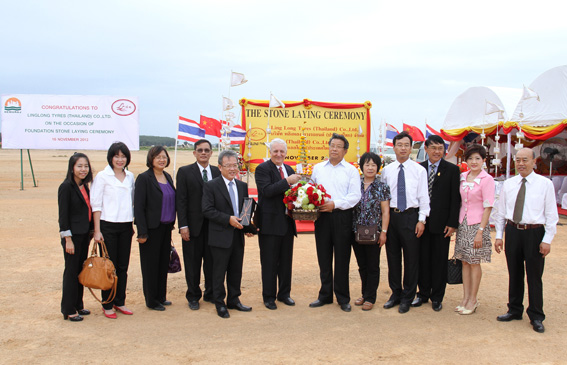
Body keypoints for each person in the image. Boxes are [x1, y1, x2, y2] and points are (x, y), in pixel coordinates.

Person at [494, 148, 558, 333]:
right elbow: (501, 212)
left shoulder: (545, 184)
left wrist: (547, 240)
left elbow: (551, 215)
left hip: (534, 233)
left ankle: (536, 315)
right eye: (518, 160)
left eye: (525, 160)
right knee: (514, 273)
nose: (521, 163)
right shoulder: (509, 184)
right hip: (513, 230)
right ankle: (514, 309)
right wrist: (499, 235)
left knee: (534, 276)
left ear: (534, 161)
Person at [309, 133, 361, 312]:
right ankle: (324, 295)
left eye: (339, 146)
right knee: (323, 257)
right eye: (332, 145)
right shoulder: (318, 168)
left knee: (342, 258)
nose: (334, 149)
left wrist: (335, 204)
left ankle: (342, 297)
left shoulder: (351, 170)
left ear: (345, 151)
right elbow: (311, 189)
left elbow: (355, 196)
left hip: (342, 217)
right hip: (322, 217)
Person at [380, 131, 430, 314]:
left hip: (411, 217)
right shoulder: (387, 170)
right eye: (399, 145)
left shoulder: (419, 170)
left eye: (406, 145)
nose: (403, 148)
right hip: (391, 217)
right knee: (392, 258)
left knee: (411, 259)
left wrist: (421, 220)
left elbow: (424, 197)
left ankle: (408, 297)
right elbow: (383, 198)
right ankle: (395, 294)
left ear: (411, 148)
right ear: (393, 148)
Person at [202, 149, 255, 318]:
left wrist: (247, 227)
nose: (233, 169)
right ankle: (220, 303)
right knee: (219, 272)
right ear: (220, 167)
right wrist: (228, 219)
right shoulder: (211, 186)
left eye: (235, 165)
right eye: (228, 165)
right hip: (219, 236)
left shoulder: (242, 185)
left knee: (235, 270)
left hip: (237, 236)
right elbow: (207, 210)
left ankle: (234, 300)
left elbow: (245, 210)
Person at [412, 135, 461, 312]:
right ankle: (423, 293)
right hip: (422, 223)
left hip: (442, 224)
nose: (437, 151)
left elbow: (455, 199)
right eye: (433, 148)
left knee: (439, 260)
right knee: (422, 259)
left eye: (440, 148)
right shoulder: (419, 169)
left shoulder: (452, 170)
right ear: (426, 148)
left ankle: (437, 297)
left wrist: (452, 223)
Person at [255, 138, 301, 310]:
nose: (279, 154)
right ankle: (269, 297)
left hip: (287, 223)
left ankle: (284, 294)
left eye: (282, 151)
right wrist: (288, 181)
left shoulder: (288, 169)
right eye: (276, 151)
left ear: (286, 153)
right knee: (269, 262)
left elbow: (293, 193)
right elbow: (267, 191)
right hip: (269, 224)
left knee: (286, 262)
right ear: (270, 152)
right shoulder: (262, 169)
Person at [91, 142, 135, 319]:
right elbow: (96, 204)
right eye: (116, 156)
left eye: (123, 156)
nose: (120, 159)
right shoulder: (102, 176)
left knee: (123, 267)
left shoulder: (130, 176)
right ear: (110, 158)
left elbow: (132, 201)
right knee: (109, 267)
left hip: (126, 226)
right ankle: (107, 303)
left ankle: (120, 301)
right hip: (107, 226)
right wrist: (97, 230)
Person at [176, 139, 220, 310]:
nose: (203, 153)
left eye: (206, 150)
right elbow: (181, 201)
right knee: (192, 264)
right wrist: (183, 225)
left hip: (214, 227)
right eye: (200, 150)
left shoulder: (217, 172)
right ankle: (193, 296)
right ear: (194, 153)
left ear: (211, 153)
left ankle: (210, 293)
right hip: (192, 228)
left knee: (212, 263)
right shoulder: (185, 172)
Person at [454, 144, 495, 315]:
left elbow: (488, 207)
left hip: (477, 225)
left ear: (484, 160)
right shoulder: (463, 177)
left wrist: (480, 231)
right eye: (470, 158)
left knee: (474, 262)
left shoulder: (487, 180)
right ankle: (465, 297)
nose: (474, 161)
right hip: (462, 224)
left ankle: (473, 299)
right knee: (464, 261)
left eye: (477, 158)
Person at [134, 146, 176, 311]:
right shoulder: (144, 178)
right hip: (150, 230)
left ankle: (161, 296)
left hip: (166, 228)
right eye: (158, 157)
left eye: (164, 157)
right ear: (151, 159)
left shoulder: (167, 176)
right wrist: (142, 232)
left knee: (162, 264)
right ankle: (151, 300)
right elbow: (139, 207)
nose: (161, 160)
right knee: (150, 266)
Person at [352, 152, 390, 311]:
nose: (370, 168)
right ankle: (364, 293)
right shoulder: (355, 184)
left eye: (373, 165)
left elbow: (386, 211)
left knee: (373, 265)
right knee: (362, 266)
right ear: (362, 167)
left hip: (374, 231)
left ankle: (370, 297)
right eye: (367, 164)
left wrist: (384, 232)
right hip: (356, 231)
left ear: (378, 167)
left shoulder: (382, 186)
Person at [58, 153, 94, 322]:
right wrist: (68, 239)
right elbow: (63, 217)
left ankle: (78, 304)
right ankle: (68, 309)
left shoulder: (84, 186)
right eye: (79, 166)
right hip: (72, 238)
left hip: (84, 235)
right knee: (71, 272)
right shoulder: (66, 187)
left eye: (86, 166)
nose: (83, 169)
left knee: (80, 271)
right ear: (72, 168)